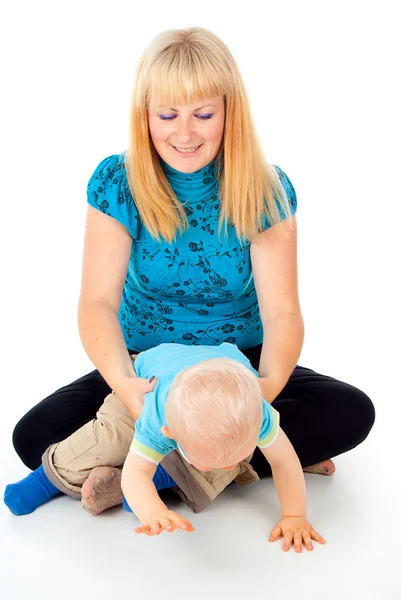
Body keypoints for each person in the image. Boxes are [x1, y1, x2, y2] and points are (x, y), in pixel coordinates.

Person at [11, 26, 375, 548]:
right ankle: (226, 466)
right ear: (146, 115)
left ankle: (152, 473)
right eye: (167, 115)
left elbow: (282, 313)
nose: (185, 133)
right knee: (34, 437)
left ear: (230, 111)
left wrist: (256, 399)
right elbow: (96, 303)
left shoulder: (266, 189)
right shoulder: (118, 182)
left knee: (352, 413)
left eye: (203, 114)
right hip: (149, 369)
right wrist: (127, 389)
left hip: (238, 366)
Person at [5, 342, 326, 552]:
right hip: (144, 382)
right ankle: (45, 479)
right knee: (109, 436)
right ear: (171, 434)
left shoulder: (256, 413)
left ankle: (160, 479)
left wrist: (295, 514)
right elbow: (135, 472)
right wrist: (152, 511)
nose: (228, 465)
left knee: (230, 470)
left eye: (240, 453)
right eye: (216, 459)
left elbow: (284, 461)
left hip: (226, 386)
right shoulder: (157, 417)